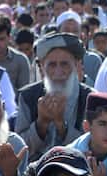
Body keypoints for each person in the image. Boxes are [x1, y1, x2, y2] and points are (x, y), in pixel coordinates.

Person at [16, 32, 92, 160]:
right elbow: (20, 147)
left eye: (64, 64)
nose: (58, 71)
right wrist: (41, 123)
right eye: (52, 65)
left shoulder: (90, 97)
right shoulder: (28, 96)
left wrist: (61, 124)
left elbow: (91, 146)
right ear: (42, 67)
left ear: (76, 65)